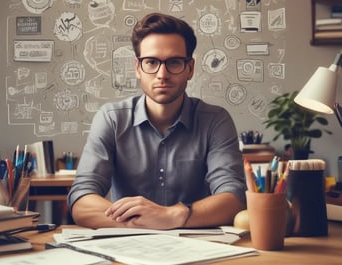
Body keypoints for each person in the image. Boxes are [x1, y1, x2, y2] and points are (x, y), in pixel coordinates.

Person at [67, 12, 247, 229]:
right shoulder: (112, 119)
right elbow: (81, 199)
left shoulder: (215, 121)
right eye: (151, 62)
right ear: (137, 68)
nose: (162, 74)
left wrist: (170, 216)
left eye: (174, 62)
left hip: (197, 248)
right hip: (129, 247)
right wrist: (143, 223)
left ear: (190, 68)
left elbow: (234, 197)